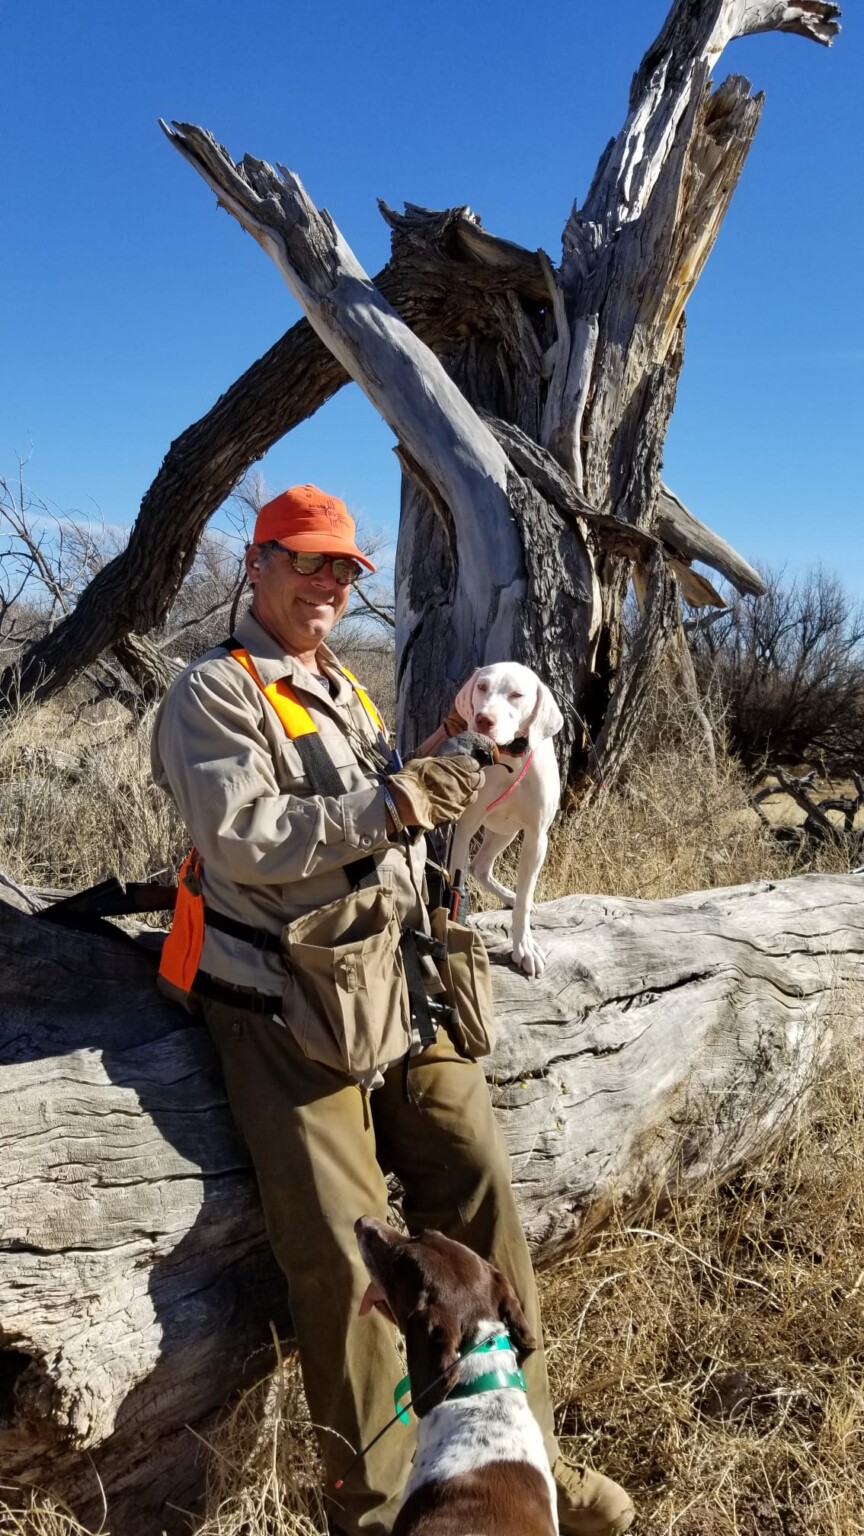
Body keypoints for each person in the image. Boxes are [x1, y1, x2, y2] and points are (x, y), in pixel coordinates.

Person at [151, 484, 634, 1536]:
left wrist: (440, 780)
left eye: (344, 570)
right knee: (338, 1253)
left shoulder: (345, 691)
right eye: (305, 561)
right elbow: (243, 840)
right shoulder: (216, 692)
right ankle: (378, 1512)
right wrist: (401, 799)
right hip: (281, 1000)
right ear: (257, 562)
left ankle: (529, 1469)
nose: (327, 584)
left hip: (397, 985)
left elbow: (391, 828)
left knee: (481, 1185)